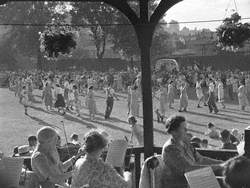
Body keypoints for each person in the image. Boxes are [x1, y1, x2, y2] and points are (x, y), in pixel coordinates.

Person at [162, 115, 223, 188]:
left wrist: (222, 163)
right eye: (183, 128)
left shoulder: (185, 143)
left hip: (193, 181)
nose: (186, 130)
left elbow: (201, 159)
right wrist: (218, 166)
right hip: (179, 184)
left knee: (227, 180)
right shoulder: (170, 148)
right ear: (173, 131)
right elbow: (188, 168)